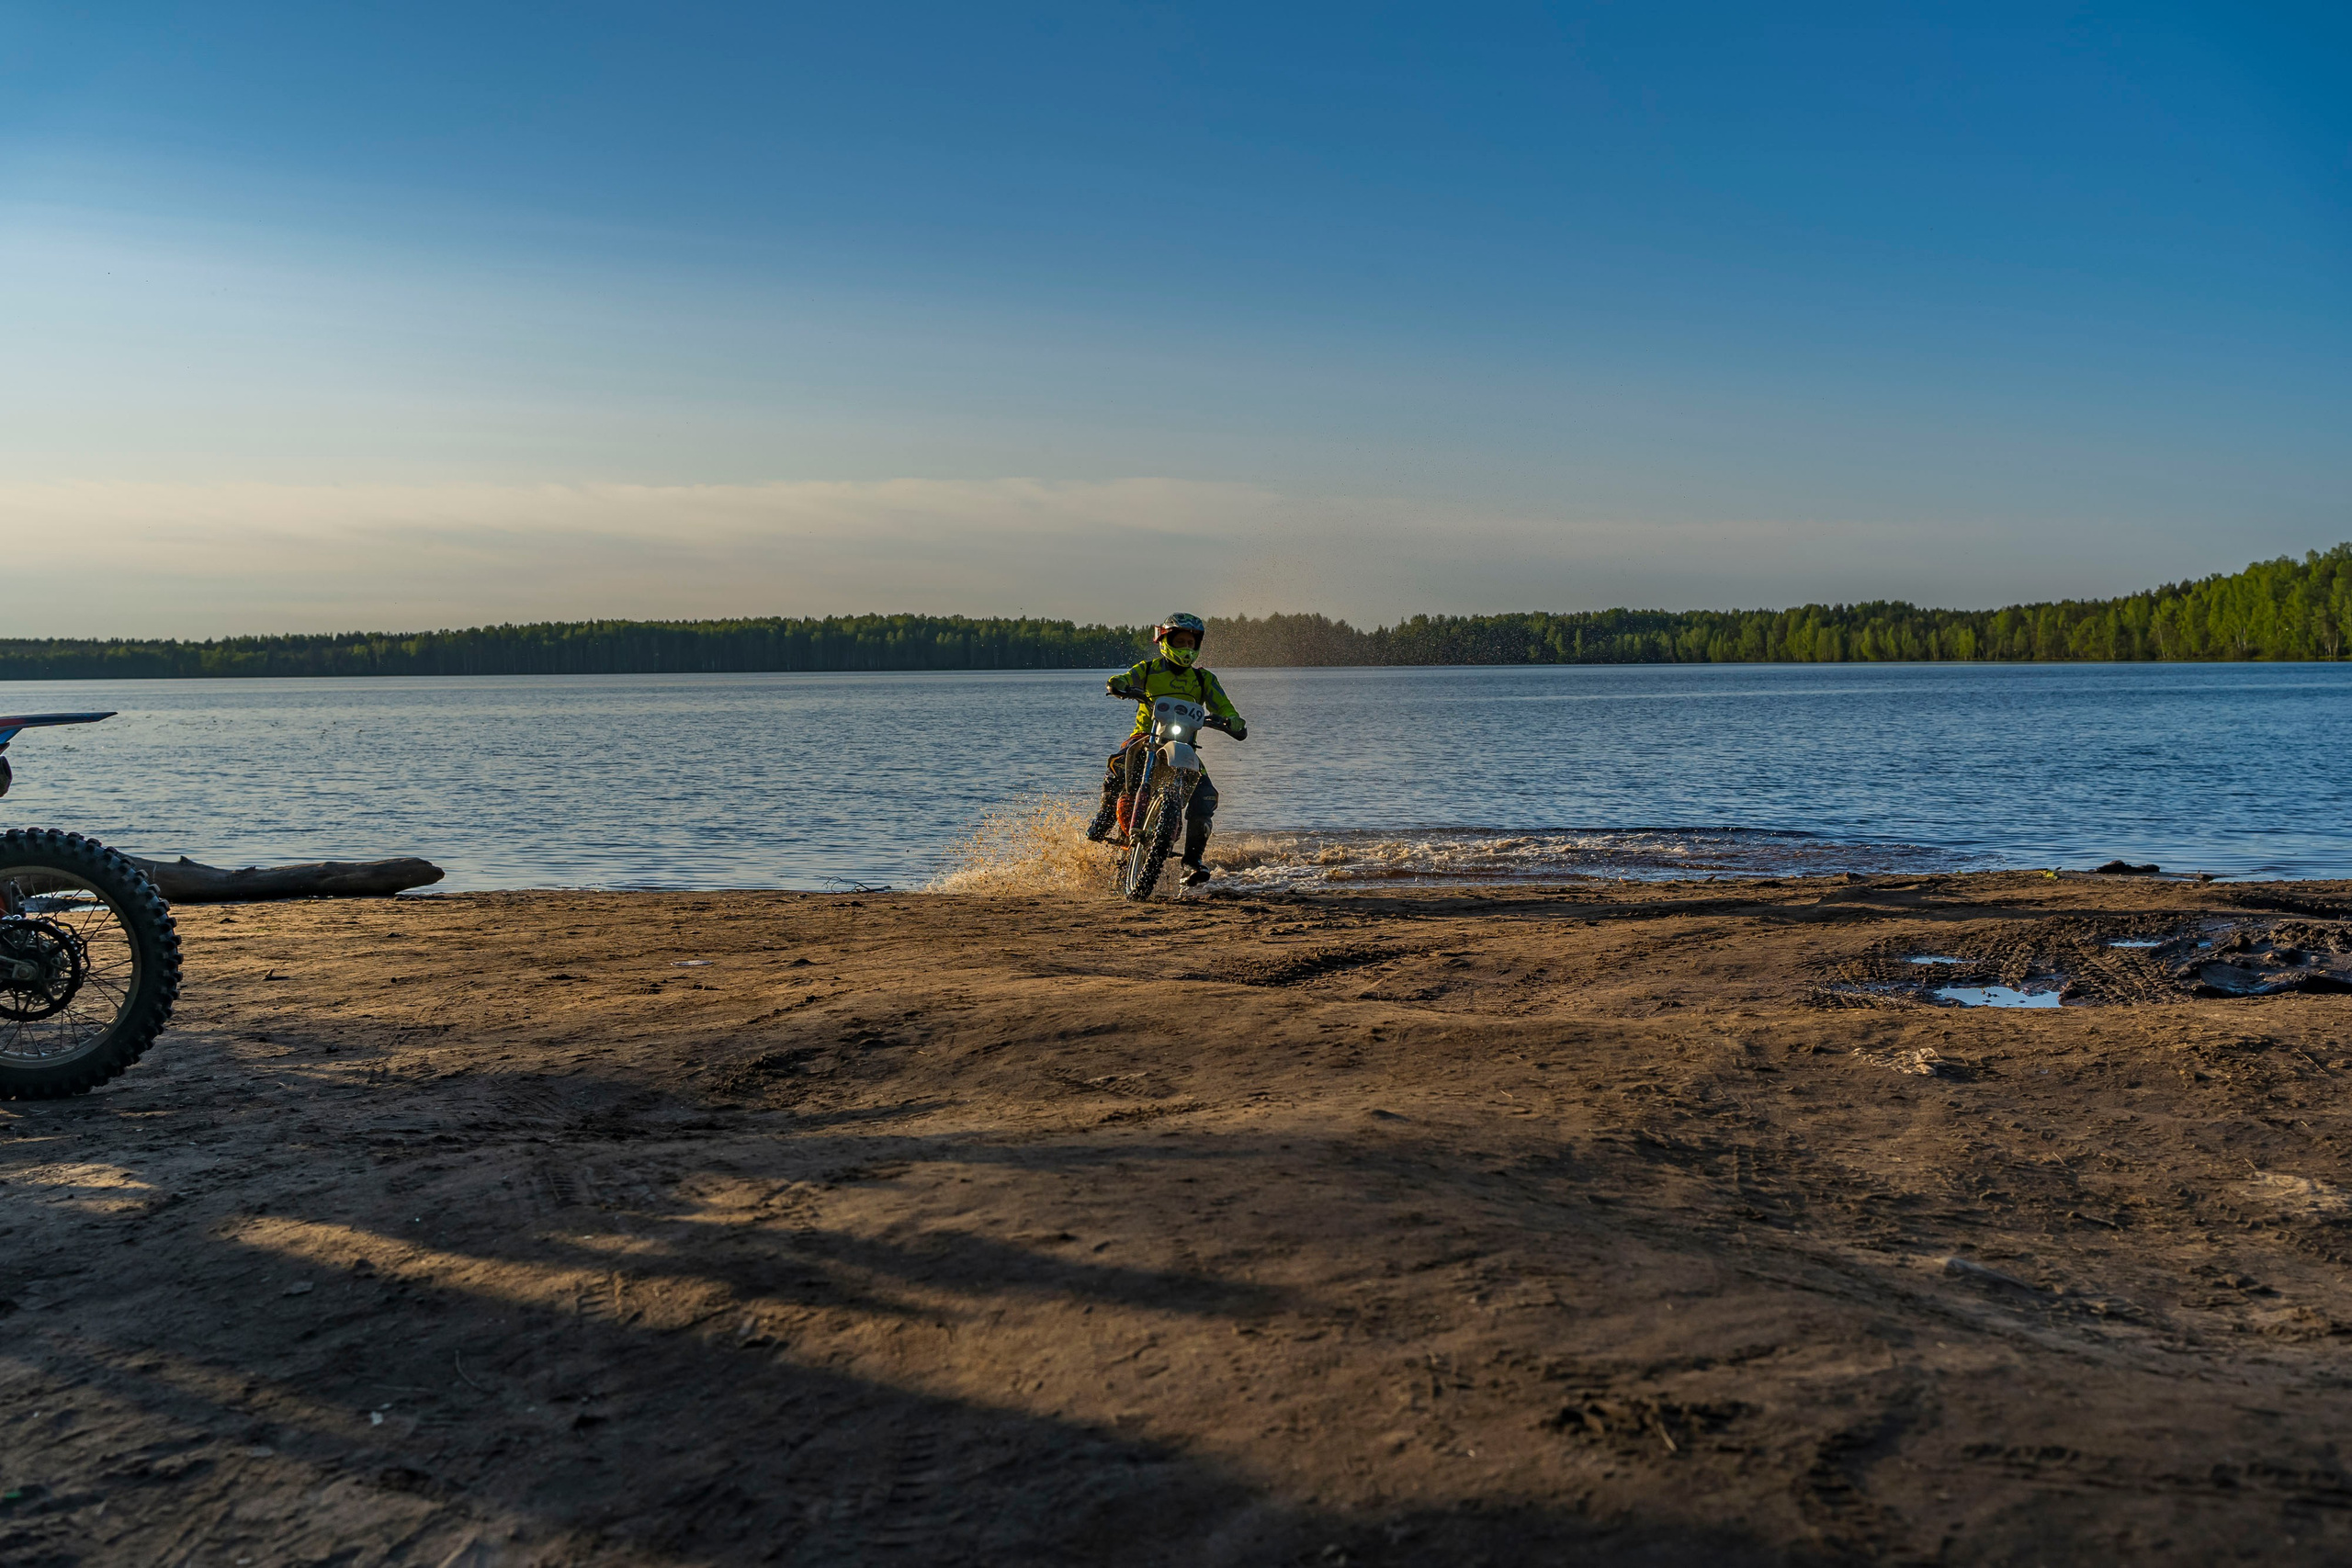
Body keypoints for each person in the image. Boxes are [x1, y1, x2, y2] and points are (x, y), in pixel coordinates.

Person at [1087, 612, 1247, 886]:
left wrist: (1232, 720)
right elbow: (1124, 679)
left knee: (1206, 796)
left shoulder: (1204, 679)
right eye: (1180, 641)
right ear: (1165, 640)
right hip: (1145, 738)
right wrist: (1120, 685)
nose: (1186, 648)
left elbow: (1226, 708)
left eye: (1191, 643)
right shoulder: (1147, 670)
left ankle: (1192, 861)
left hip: (1184, 746)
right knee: (1119, 764)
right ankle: (1104, 816)